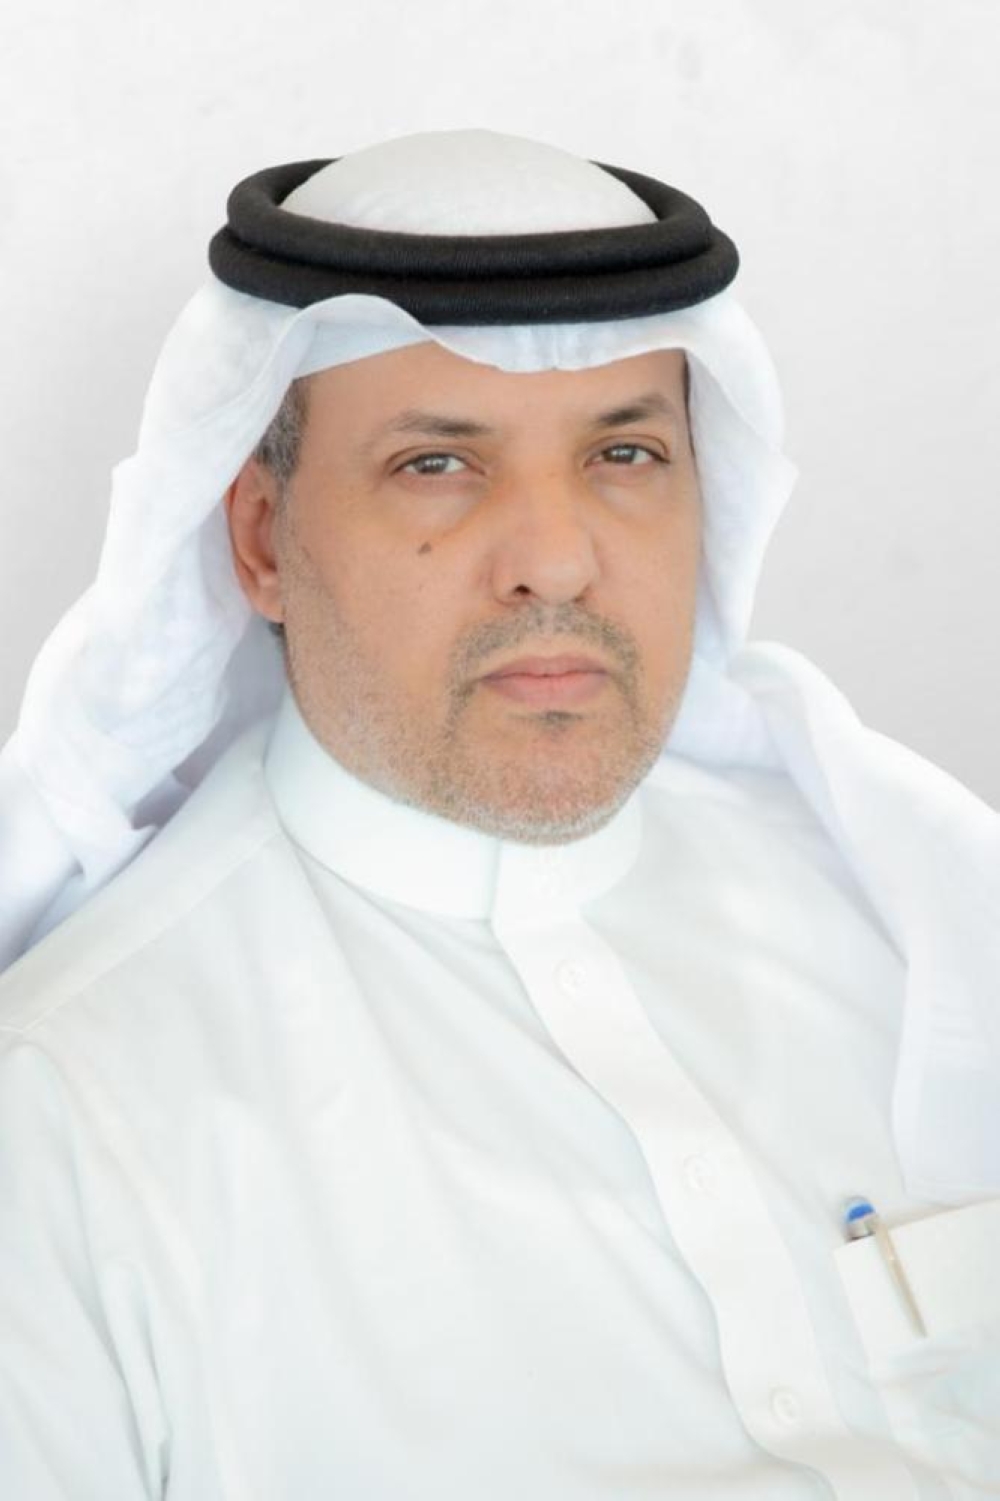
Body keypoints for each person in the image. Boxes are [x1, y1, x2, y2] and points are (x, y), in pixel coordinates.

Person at [0, 129, 997, 1500]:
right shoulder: (68, 1119)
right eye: (437, 464)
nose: (556, 560)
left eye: (625, 452)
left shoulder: (910, 923)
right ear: (262, 539)